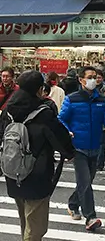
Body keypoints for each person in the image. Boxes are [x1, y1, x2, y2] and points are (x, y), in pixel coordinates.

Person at [0, 70, 75, 241]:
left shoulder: (8, 110)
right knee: (36, 227)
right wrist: (69, 152)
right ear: (39, 89)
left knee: (25, 221)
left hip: (13, 171)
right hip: (37, 173)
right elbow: (59, 137)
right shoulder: (43, 113)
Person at [58, 66, 105, 231]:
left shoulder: (101, 100)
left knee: (87, 181)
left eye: (95, 77)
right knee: (85, 182)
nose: (94, 80)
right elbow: (61, 119)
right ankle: (90, 217)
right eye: (90, 77)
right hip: (78, 148)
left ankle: (72, 203)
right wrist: (67, 132)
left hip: (95, 147)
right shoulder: (72, 99)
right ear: (81, 80)